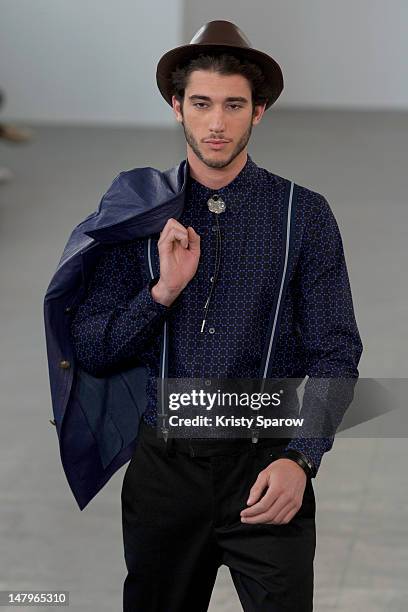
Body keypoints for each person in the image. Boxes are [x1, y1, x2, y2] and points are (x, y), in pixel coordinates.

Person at [63, 20, 363, 612]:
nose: (218, 123)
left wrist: (301, 457)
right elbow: (93, 346)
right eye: (201, 104)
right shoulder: (138, 215)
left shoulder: (303, 215)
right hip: (165, 479)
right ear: (178, 108)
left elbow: (336, 350)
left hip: (266, 468)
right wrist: (162, 292)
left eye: (234, 105)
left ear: (259, 112)